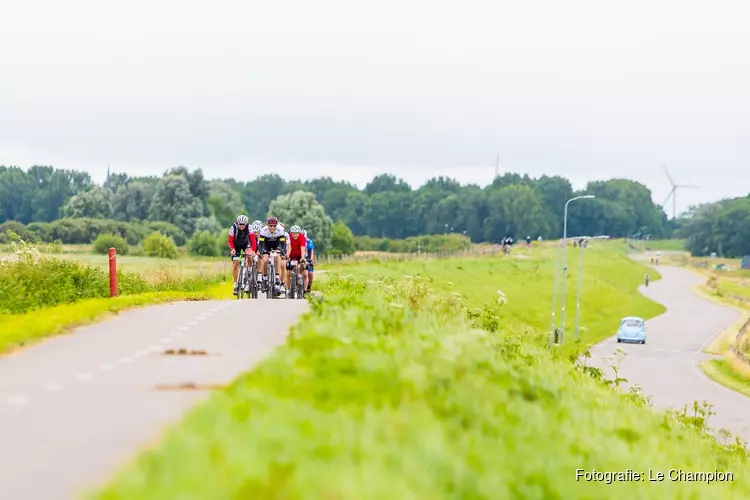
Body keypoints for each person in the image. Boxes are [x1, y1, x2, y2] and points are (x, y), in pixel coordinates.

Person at [227, 215, 257, 295]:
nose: (241, 226)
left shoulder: (249, 227)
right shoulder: (233, 228)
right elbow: (230, 241)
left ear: (246, 224)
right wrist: (232, 249)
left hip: (246, 244)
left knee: (249, 255)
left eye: (243, 224)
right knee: (235, 264)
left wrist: (253, 251)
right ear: (237, 223)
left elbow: (253, 240)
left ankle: (250, 270)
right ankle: (236, 284)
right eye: (240, 224)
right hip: (236, 245)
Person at [258, 216, 287, 296]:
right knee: (265, 260)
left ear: (276, 225)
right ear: (267, 225)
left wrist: (283, 252)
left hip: (277, 244)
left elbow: (283, 244)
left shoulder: (280, 230)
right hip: (266, 245)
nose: (272, 227)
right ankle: (264, 278)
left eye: (274, 226)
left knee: (277, 256)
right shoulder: (263, 231)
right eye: (270, 225)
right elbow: (260, 244)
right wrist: (262, 252)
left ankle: (277, 277)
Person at [285, 225, 308, 293]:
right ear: (291, 233)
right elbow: (287, 247)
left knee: (301, 265)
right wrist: (286, 256)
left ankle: (300, 276)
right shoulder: (288, 237)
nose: (295, 235)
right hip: (290, 256)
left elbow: (303, 249)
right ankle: (288, 289)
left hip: (299, 256)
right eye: (293, 234)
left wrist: (302, 258)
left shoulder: (302, 237)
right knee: (288, 273)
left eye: (296, 233)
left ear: (299, 233)